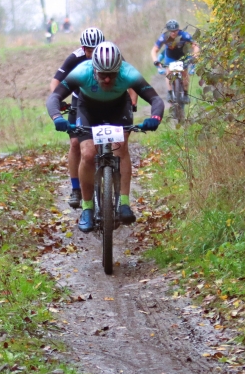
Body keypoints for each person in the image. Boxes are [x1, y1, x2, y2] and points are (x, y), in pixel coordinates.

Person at [46, 42, 164, 231]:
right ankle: (87, 208)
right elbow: (54, 97)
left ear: (119, 69)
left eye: (112, 75)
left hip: (118, 109)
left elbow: (155, 99)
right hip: (88, 110)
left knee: (120, 146)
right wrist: (57, 117)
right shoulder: (81, 71)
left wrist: (155, 118)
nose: (107, 80)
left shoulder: (129, 73)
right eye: (102, 75)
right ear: (94, 69)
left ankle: (124, 202)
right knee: (87, 153)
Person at [51, 27, 104, 209]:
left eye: (96, 49)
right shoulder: (75, 57)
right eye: (89, 50)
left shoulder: (109, 54)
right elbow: (56, 81)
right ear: (83, 48)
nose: (92, 53)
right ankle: (76, 189)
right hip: (78, 102)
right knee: (75, 144)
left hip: (103, 102)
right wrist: (59, 99)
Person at [150, 19, 200, 99]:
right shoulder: (164, 37)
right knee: (169, 72)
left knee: (184, 74)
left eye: (175, 31)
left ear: (178, 29)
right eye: (171, 31)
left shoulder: (184, 35)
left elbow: (195, 46)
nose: (173, 33)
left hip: (182, 56)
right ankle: (170, 93)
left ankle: (186, 94)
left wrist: (195, 57)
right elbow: (154, 50)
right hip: (170, 57)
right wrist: (155, 60)